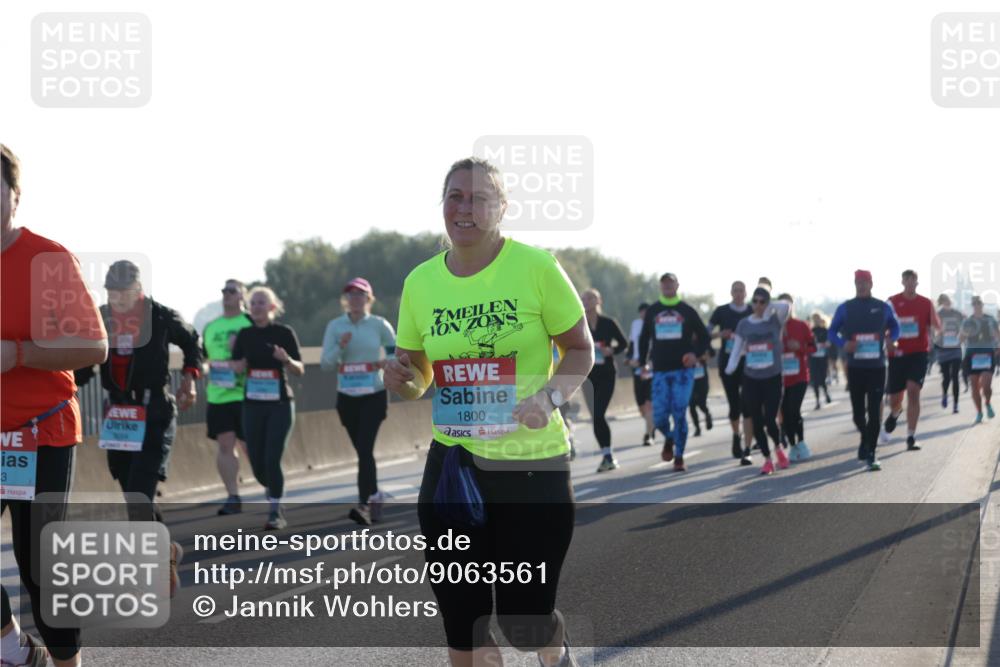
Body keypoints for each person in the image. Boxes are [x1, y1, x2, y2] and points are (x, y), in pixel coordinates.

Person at [385, 157, 590, 666]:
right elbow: (419, 373)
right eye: (455, 196)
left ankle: (553, 647)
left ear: (502, 207)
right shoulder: (420, 282)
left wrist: (548, 399)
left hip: (531, 465)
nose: (465, 207)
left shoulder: (536, 267)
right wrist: (405, 382)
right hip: (454, 464)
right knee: (461, 616)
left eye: (479, 197)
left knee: (526, 618)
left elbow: (580, 349)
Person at [1, 143, 108, 667]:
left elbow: (94, 347)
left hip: (39, 433)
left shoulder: (47, 259)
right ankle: (10, 644)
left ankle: (66, 662)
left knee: (39, 569)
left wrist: (17, 353)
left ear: (15, 196)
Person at [75, 261, 201, 560]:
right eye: (111, 292)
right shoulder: (102, 318)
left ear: (138, 289)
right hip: (118, 415)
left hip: (154, 411)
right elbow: (85, 361)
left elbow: (192, 341)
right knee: (132, 494)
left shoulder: (159, 316)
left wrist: (189, 380)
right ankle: (164, 550)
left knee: (138, 495)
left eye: (122, 292)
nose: (115, 299)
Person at [320, 277, 397, 526]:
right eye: (350, 295)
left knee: (364, 449)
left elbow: (396, 354)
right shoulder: (335, 326)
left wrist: (387, 365)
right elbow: (325, 364)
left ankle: (364, 504)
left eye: (360, 294)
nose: (354, 299)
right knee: (363, 452)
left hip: (373, 394)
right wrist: (341, 347)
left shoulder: (379, 324)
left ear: (368, 298)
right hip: (347, 397)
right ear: (346, 300)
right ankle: (375, 495)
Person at [230, 287, 304, 530]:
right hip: (252, 405)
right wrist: (237, 362)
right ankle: (272, 488)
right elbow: (236, 367)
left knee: (272, 458)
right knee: (258, 465)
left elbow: (299, 369)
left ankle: (275, 511)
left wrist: (286, 359)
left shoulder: (284, 333)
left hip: (280, 405)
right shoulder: (245, 334)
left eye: (262, 303)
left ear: (272, 307)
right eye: (253, 303)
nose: (257, 307)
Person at [637, 273, 711, 472]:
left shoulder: (687, 310)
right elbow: (644, 339)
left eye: (671, 283)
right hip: (660, 371)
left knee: (679, 412)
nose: (668, 286)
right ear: (661, 287)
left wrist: (695, 354)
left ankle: (679, 457)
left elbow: (705, 336)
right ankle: (670, 438)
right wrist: (643, 363)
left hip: (683, 371)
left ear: (677, 285)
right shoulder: (653, 311)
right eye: (665, 284)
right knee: (659, 417)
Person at [829, 270, 900, 471]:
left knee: (875, 411)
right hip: (855, 367)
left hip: (877, 367)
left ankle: (872, 452)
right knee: (858, 414)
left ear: (871, 283)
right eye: (858, 282)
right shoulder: (846, 308)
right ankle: (865, 437)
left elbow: (896, 328)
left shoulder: (882, 307)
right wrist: (844, 344)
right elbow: (832, 331)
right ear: (854, 284)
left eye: (864, 282)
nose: (861, 285)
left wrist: (891, 338)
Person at [725, 289, 791, 474]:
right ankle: (768, 459)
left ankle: (778, 447)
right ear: (751, 303)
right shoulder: (744, 324)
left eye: (763, 302)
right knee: (756, 420)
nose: (759, 305)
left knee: (770, 419)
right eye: (755, 301)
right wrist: (730, 368)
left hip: (773, 376)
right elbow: (737, 349)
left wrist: (769, 305)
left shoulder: (775, 320)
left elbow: (786, 306)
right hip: (751, 378)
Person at [201, 279, 253, 515]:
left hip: (248, 394)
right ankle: (233, 495)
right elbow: (203, 359)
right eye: (224, 290)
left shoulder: (250, 323)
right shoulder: (212, 327)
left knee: (251, 446)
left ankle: (272, 491)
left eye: (232, 291)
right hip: (219, 394)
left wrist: (242, 358)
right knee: (225, 445)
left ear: (243, 296)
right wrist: (202, 369)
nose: (227, 295)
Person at [881, 270, 941, 451]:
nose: (909, 282)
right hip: (897, 355)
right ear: (902, 282)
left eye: (912, 279)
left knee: (914, 391)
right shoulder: (891, 301)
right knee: (895, 399)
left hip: (918, 354)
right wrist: (887, 341)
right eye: (906, 279)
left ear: (917, 282)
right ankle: (894, 413)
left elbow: (936, 326)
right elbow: (881, 326)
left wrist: (934, 333)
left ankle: (911, 436)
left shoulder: (925, 303)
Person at [581, 288, 628, 472]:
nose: (586, 301)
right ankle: (606, 455)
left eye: (590, 298)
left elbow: (623, 344)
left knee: (599, 413)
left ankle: (608, 456)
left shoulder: (609, 323)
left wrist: (612, 351)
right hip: (588, 376)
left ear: (598, 301)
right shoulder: (578, 323)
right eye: (584, 298)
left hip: (607, 374)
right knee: (595, 417)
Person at [708, 281, 751, 460]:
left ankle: (748, 445)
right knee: (734, 404)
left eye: (741, 290)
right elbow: (706, 332)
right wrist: (720, 334)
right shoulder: (721, 311)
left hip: (750, 363)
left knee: (748, 403)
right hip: (727, 363)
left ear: (746, 293)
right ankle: (736, 436)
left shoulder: (752, 310)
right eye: (736, 291)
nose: (738, 294)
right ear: (731, 292)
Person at [779, 294, 816, 461]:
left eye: (788, 304)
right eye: (781, 305)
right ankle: (793, 446)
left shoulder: (802, 325)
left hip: (800, 376)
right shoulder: (773, 327)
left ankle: (801, 442)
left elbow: (813, 347)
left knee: (794, 410)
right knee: (785, 414)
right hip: (780, 379)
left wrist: (799, 347)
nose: (785, 308)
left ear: (792, 306)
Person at [961, 295, 999, 424]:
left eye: (979, 303)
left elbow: (998, 334)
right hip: (972, 355)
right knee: (974, 387)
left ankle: (987, 403)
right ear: (972, 306)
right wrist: (962, 336)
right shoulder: (968, 321)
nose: (977, 305)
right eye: (975, 303)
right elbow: (960, 337)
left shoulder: (990, 319)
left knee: (987, 386)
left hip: (987, 354)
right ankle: (979, 412)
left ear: (982, 305)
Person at [626, 303, 655, 446]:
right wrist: (629, 358)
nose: (644, 314)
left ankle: (648, 435)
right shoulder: (636, 324)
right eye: (641, 312)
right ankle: (651, 424)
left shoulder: (656, 323)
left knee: (649, 404)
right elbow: (632, 344)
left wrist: (650, 363)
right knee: (641, 405)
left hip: (652, 368)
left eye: (646, 312)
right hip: (637, 367)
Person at [935, 293, 965, 413]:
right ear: (941, 302)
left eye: (948, 300)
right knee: (946, 377)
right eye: (944, 301)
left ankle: (956, 405)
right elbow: (933, 329)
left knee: (955, 377)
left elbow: (966, 324)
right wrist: (938, 334)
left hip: (956, 348)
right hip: (943, 349)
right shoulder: (938, 314)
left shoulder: (957, 313)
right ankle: (944, 394)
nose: (947, 302)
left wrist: (962, 335)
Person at [809, 312, 833, 409]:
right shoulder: (811, 331)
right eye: (814, 319)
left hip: (822, 357)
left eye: (817, 318)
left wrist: (827, 344)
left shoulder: (825, 330)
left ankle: (826, 393)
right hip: (813, 357)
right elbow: (807, 342)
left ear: (821, 319)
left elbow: (830, 342)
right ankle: (817, 401)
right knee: (814, 379)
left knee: (822, 378)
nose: (816, 320)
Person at [688, 353, 713, 437]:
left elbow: (711, 353)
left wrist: (702, 357)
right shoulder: (686, 345)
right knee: (692, 406)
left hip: (702, 381)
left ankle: (707, 414)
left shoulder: (702, 343)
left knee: (701, 403)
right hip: (691, 381)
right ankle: (697, 428)